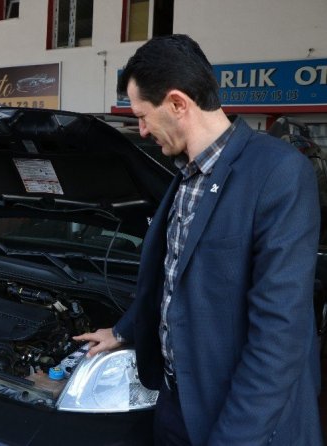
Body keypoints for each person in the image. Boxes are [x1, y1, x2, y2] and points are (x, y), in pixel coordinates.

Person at [74, 34, 323, 445]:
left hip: (237, 416)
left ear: (177, 103)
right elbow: (174, 279)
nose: (141, 130)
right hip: (175, 402)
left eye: (142, 116)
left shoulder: (278, 173)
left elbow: (279, 337)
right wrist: (122, 331)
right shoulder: (186, 174)